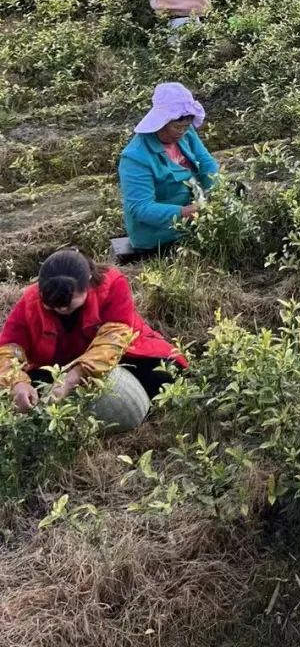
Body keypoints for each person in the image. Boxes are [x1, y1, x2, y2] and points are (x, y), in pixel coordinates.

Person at [0, 248, 186, 418]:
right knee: (30, 394)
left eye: (68, 304)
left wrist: (74, 377)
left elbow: (113, 339)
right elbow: (7, 349)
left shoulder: (113, 284)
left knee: (166, 375)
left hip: (121, 354)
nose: (62, 310)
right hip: (59, 368)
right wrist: (17, 383)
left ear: (88, 283)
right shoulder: (31, 300)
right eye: (53, 306)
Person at [117, 83, 219, 251]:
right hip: (157, 233)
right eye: (177, 127)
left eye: (186, 127)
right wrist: (184, 212)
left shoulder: (186, 133)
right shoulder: (135, 157)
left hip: (192, 218)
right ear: (161, 122)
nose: (182, 132)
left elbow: (206, 164)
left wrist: (217, 192)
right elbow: (141, 208)